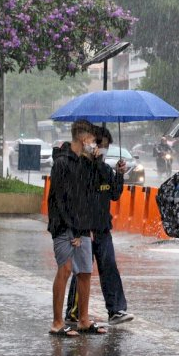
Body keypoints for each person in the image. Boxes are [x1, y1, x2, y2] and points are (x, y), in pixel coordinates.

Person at [65, 126, 134, 326]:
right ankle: (73, 311)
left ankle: (116, 310)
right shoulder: (80, 167)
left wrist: (119, 174)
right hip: (84, 230)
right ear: (89, 143)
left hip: (103, 228)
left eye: (106, 147)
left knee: (109, 266)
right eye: (100, 145)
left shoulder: (104, 168)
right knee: (82, 272)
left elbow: (114, 193)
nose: (102, 150)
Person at [47, 119, 107, 337]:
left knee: (85, 272)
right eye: (92, 139)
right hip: (64, 227)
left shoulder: (86, 163)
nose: (93, 143)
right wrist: (71, 230)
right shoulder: (62, 163)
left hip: (82, 227)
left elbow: (90, 195)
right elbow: (59, 200)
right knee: (65, 270)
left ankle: (83, 319)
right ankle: (57, 322)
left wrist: (97, 160)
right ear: (83, 138)